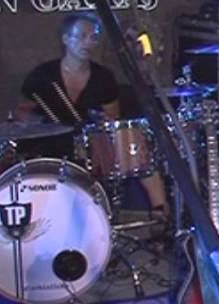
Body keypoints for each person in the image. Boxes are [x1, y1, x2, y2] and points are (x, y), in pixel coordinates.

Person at [15, 12, 168, 214]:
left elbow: (112, 120)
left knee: (138, 153)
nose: (88, 42)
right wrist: (39, 123)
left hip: (91, 148)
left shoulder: (103, 78)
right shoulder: (42, 76)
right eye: (82, 36)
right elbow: (22, 114)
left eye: (93, 37)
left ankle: (161, 214)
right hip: (49, 147)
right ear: (66, 39)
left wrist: (102, 122)